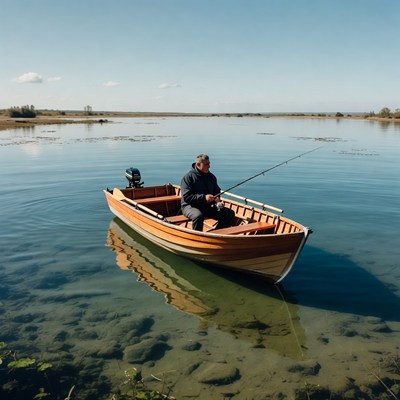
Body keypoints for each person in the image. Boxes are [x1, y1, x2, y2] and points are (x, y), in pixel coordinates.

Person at [181, 154, 235, 231]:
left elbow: (216, 190)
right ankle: (198, 238)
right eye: (207, 164)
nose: (209, 166)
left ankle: (216, 234)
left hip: (206, 206)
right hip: (189, 206)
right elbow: (186, 197)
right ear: (198, 164)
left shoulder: (211, 177)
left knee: (229, 214)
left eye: (209, 163)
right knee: (198, 216)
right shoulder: (188, 178)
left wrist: (217, 198)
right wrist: (204, 197)